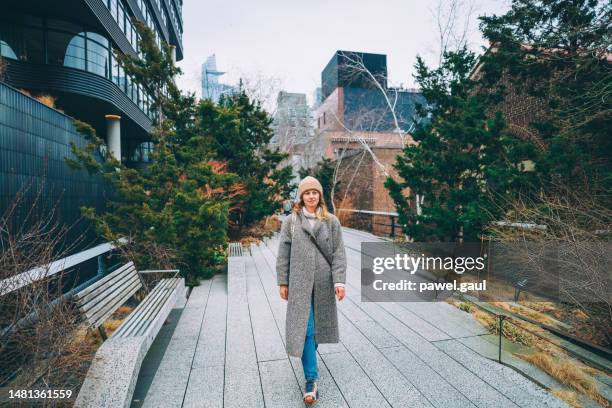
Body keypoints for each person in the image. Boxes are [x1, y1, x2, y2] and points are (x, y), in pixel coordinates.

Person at [276, 176, 347, 404]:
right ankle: (311, 380)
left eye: (315, 192)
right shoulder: (291, 222)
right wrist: (283, 281)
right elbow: (283, 253)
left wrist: (339, 282)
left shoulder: (331, 221)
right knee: (305, 328)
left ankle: (309, 360)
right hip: (299, 282)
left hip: (324, 283)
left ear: (320, 196)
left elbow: (338, 253)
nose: (311, 196)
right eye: (307, 193)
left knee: (314, 331)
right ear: (301, 196)